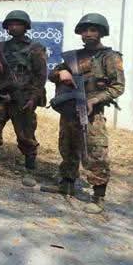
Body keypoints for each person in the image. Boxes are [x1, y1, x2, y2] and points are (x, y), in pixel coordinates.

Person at [42, 13, 124, 214]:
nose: (88, 34)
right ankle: (67, 184)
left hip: (92, 113)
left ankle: (98, 196)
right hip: (70, 108)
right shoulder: (74, 56)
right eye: (85, 30)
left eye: (93, 30)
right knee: (67, 146)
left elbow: (118, 87)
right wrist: (60, 73)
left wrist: (94, 100)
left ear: (101, 32)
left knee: (94, 151)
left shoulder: (110, 57)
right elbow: (52, 74)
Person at [0, 10, 47, 185]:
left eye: (18, 24)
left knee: (25, 134)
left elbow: (41, 76)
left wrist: (33, 98)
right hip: (2, 94)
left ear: (26, 27)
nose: (14, 27)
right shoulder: (0, 47)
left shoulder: (35, 48)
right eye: (10, 24)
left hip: (23, 96)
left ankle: (30, 167)